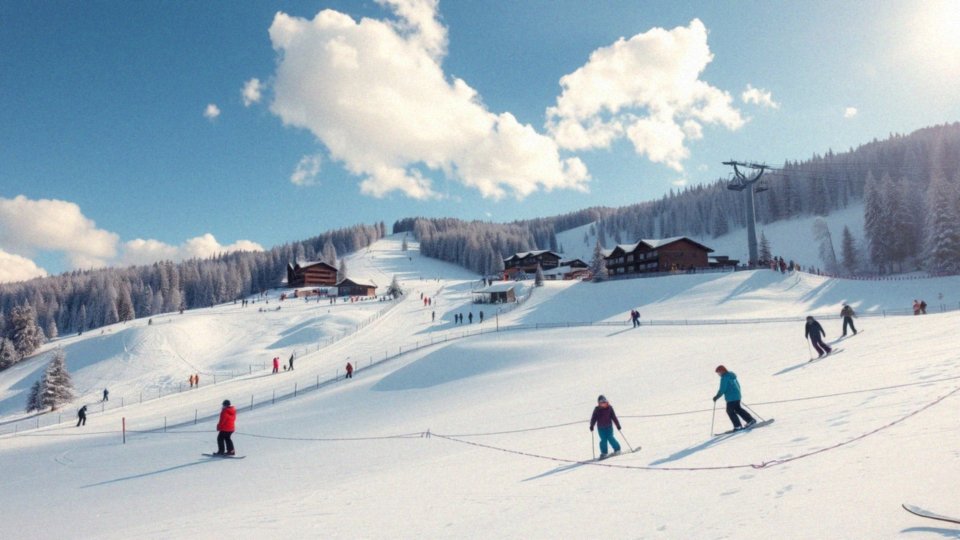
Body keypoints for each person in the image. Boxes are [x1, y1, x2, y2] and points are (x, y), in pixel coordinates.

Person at [712, 365, 755, 431]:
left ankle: (737, 426)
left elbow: (722, 389)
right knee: (738, 409)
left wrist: (717, 396)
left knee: (730, 411)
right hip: (737, 396)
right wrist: (737, 395)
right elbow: (738, 385)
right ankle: (750, 420)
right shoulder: (732, 376)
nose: (718, 374)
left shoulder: (724, 377)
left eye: (719, 372)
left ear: (723, 371)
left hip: (731, 397)